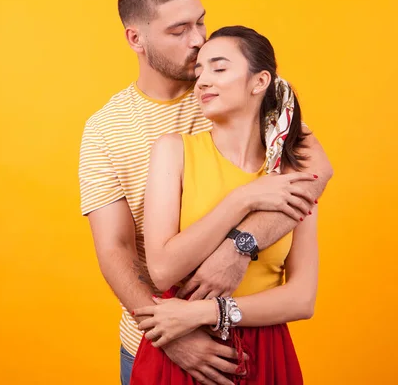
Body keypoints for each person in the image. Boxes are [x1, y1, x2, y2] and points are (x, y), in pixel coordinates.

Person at [78, 0, 333, 384]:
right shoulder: (105, 130)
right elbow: (116, 249)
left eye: (200, 21)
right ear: (136, 38)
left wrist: (238, 247)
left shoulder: (241, 96)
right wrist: (170, 335)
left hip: (254, 341)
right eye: (179, 30)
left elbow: (315, 173)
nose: (198, 40)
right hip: (154, 341)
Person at [130, 25, 318, 385]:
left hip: (262, 349)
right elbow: (163, 268)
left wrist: (209, 310)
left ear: (259, 81)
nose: (201, 81)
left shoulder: (291, 172)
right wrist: (243, 197)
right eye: (199, 70)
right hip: (182, 347)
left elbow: (302, 298)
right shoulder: (174, 151)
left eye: (218, 68)